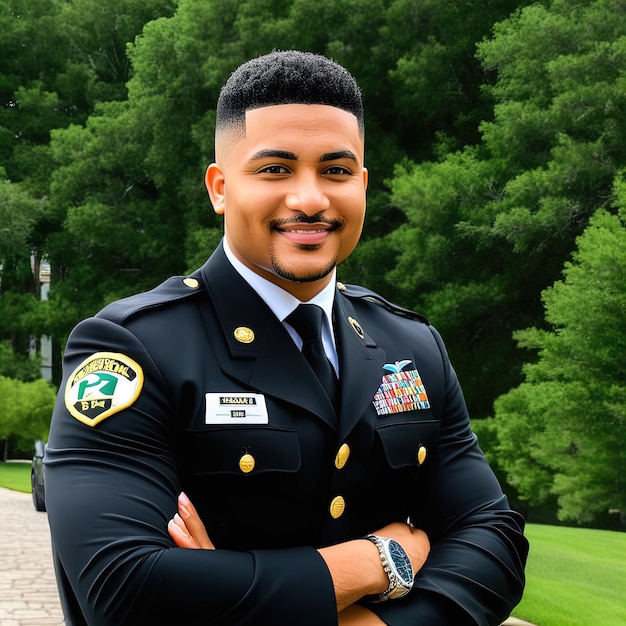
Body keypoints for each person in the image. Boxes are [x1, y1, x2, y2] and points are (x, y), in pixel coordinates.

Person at [45, 50, 528, 625]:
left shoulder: (412, 346)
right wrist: (377, 561)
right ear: (221, 188)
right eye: (275, 169)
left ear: (363, 185)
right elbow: (121, 587)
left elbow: (495, 540)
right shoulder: (133, 350)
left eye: (336, 171)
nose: (310, 199)